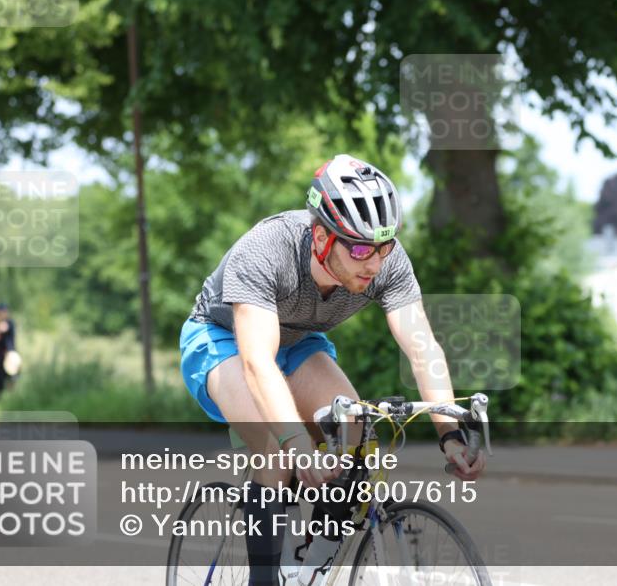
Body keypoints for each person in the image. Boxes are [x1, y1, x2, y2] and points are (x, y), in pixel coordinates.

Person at [181, 154, 486, 586]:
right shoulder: (267, 250)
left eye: (384, 247)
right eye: (360, 248)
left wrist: (449, 436)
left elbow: (422, 348)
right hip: (223, 341)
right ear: (322, 237)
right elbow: (256, 362)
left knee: (356, 429)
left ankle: (311, 564)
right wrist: (296, 442)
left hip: (299, 342)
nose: (374, 263)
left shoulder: (386, 262)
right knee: (274, 443)